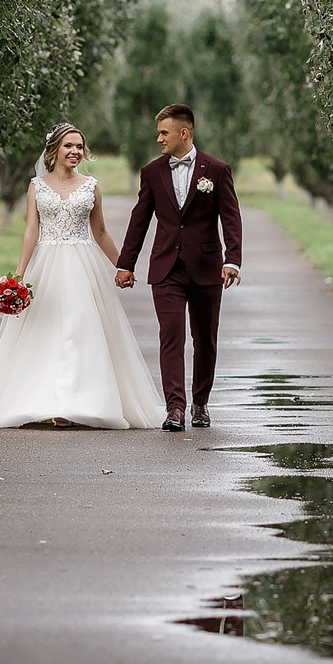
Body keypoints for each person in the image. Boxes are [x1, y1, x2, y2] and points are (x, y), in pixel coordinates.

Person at [0, 124, 160, 429]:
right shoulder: (37, 186)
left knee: (79, 329)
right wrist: (18, 274)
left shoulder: (91, 186)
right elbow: (31, 230)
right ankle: (45, 400)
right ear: (54, 149)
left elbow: (100, 231)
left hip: (83, 265)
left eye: (80, 147)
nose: (75, 152)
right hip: (46, 264)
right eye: (69, 146)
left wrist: (123, 265)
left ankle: (77, 401)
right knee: (48, 329)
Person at [115, 104, 243, 432]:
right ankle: (175, 408)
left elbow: (230, 217)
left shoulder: (216, 170)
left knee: (205, 339)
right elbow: (139, 220)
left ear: (183, 133)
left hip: (207, 268)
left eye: (163, 132)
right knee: (171, 337)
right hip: (166, 268)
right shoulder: (152, 172)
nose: (158, 138)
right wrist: (125, 264)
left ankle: (200, 402)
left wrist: (232, 260)